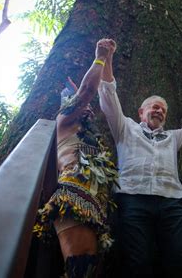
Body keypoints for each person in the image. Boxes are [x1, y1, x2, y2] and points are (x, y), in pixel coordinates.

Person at [98, 41, 182, 278]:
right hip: (134, 199)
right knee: (138, 262)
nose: (159, 111)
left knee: (181, 262)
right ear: (141, 112)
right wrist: (107, 58)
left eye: (163, 110)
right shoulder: (125, 128)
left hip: (172, 202)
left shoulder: (173, 137)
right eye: (154, 107)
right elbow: (108, 94)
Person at [34, 38, 119, 278]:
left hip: (96, 204)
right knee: (81, 268)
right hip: (74, 195)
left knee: (94, 267)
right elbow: (87, 92)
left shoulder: (92, 136)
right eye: (83, 105)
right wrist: (101, 57)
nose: (89, 108)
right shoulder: (65, 119)